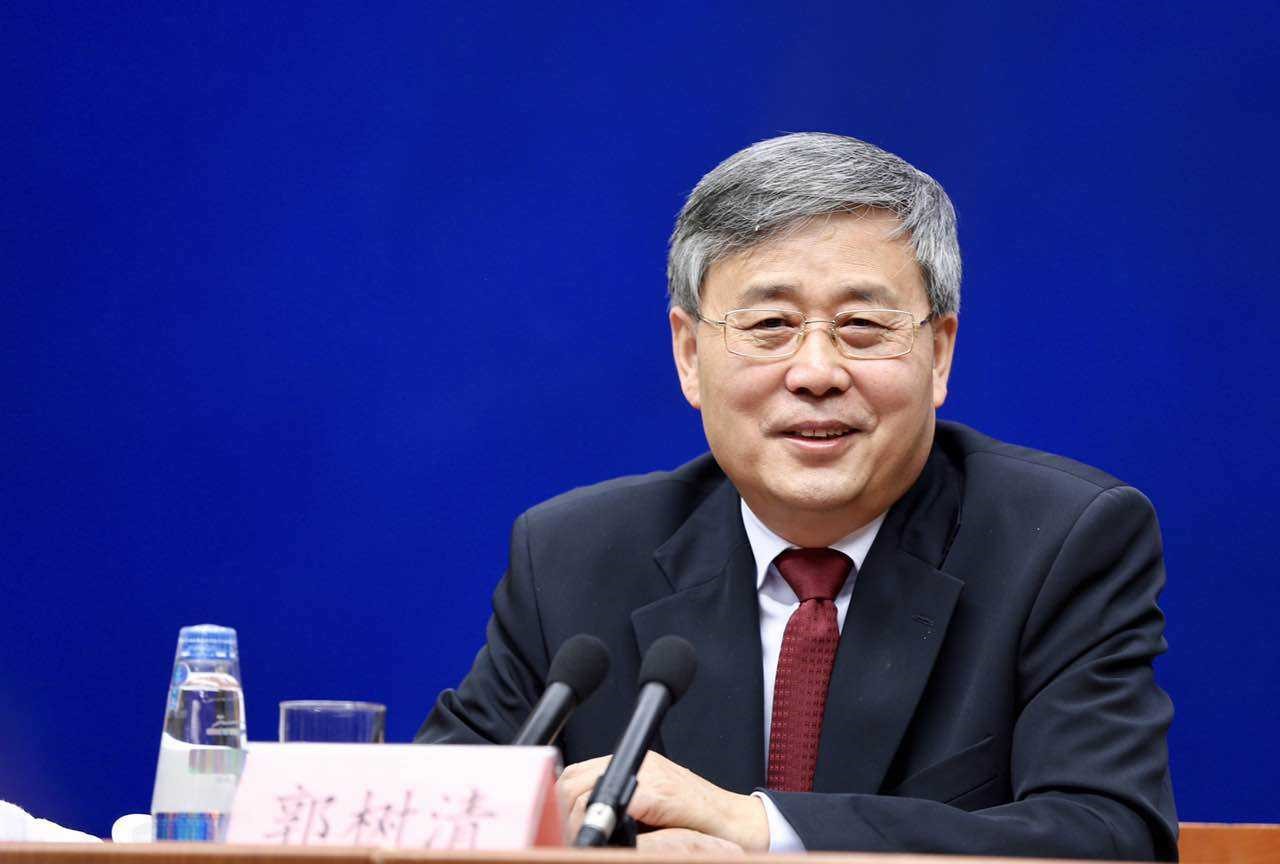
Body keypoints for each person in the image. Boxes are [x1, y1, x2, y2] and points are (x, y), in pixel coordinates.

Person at [416, 132, 1177, 860]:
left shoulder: (1061, 542)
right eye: (771, 324)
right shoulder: (572, 560)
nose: (816, 371)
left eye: (863, 325)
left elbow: (1110, 836)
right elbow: (427, 819)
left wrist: (762, 830)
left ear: (939, 353)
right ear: (689, 354)